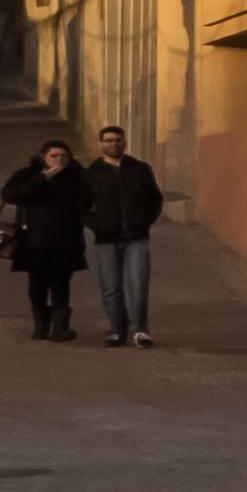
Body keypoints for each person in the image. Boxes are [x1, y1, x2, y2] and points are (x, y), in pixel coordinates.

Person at [0, 138, 91, 342]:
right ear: (43, 157)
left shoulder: (77, 176)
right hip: (34, 240)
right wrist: (42, 179)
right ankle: (40, 325)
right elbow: (10, 195)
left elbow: (89, 199)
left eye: (64, 155)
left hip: (66, 241)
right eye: (54, 156)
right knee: (37, 283)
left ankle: (59, 327)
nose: (59, 159)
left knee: (61, 284)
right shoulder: (28, 174)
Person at [79, 124, 166, 346]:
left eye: (117, 140)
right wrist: (96, 225)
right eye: (108, 140)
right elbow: (80, 206)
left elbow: (155, 199)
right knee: (111, 287)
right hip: (107, 239)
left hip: (137, 237)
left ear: (124, 142)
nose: (113, 144)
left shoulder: (140, 169)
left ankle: (140, 330)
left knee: (138, 285)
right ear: (101, 144)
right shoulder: (92, 173)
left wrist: (145, 221)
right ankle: (116, 330)